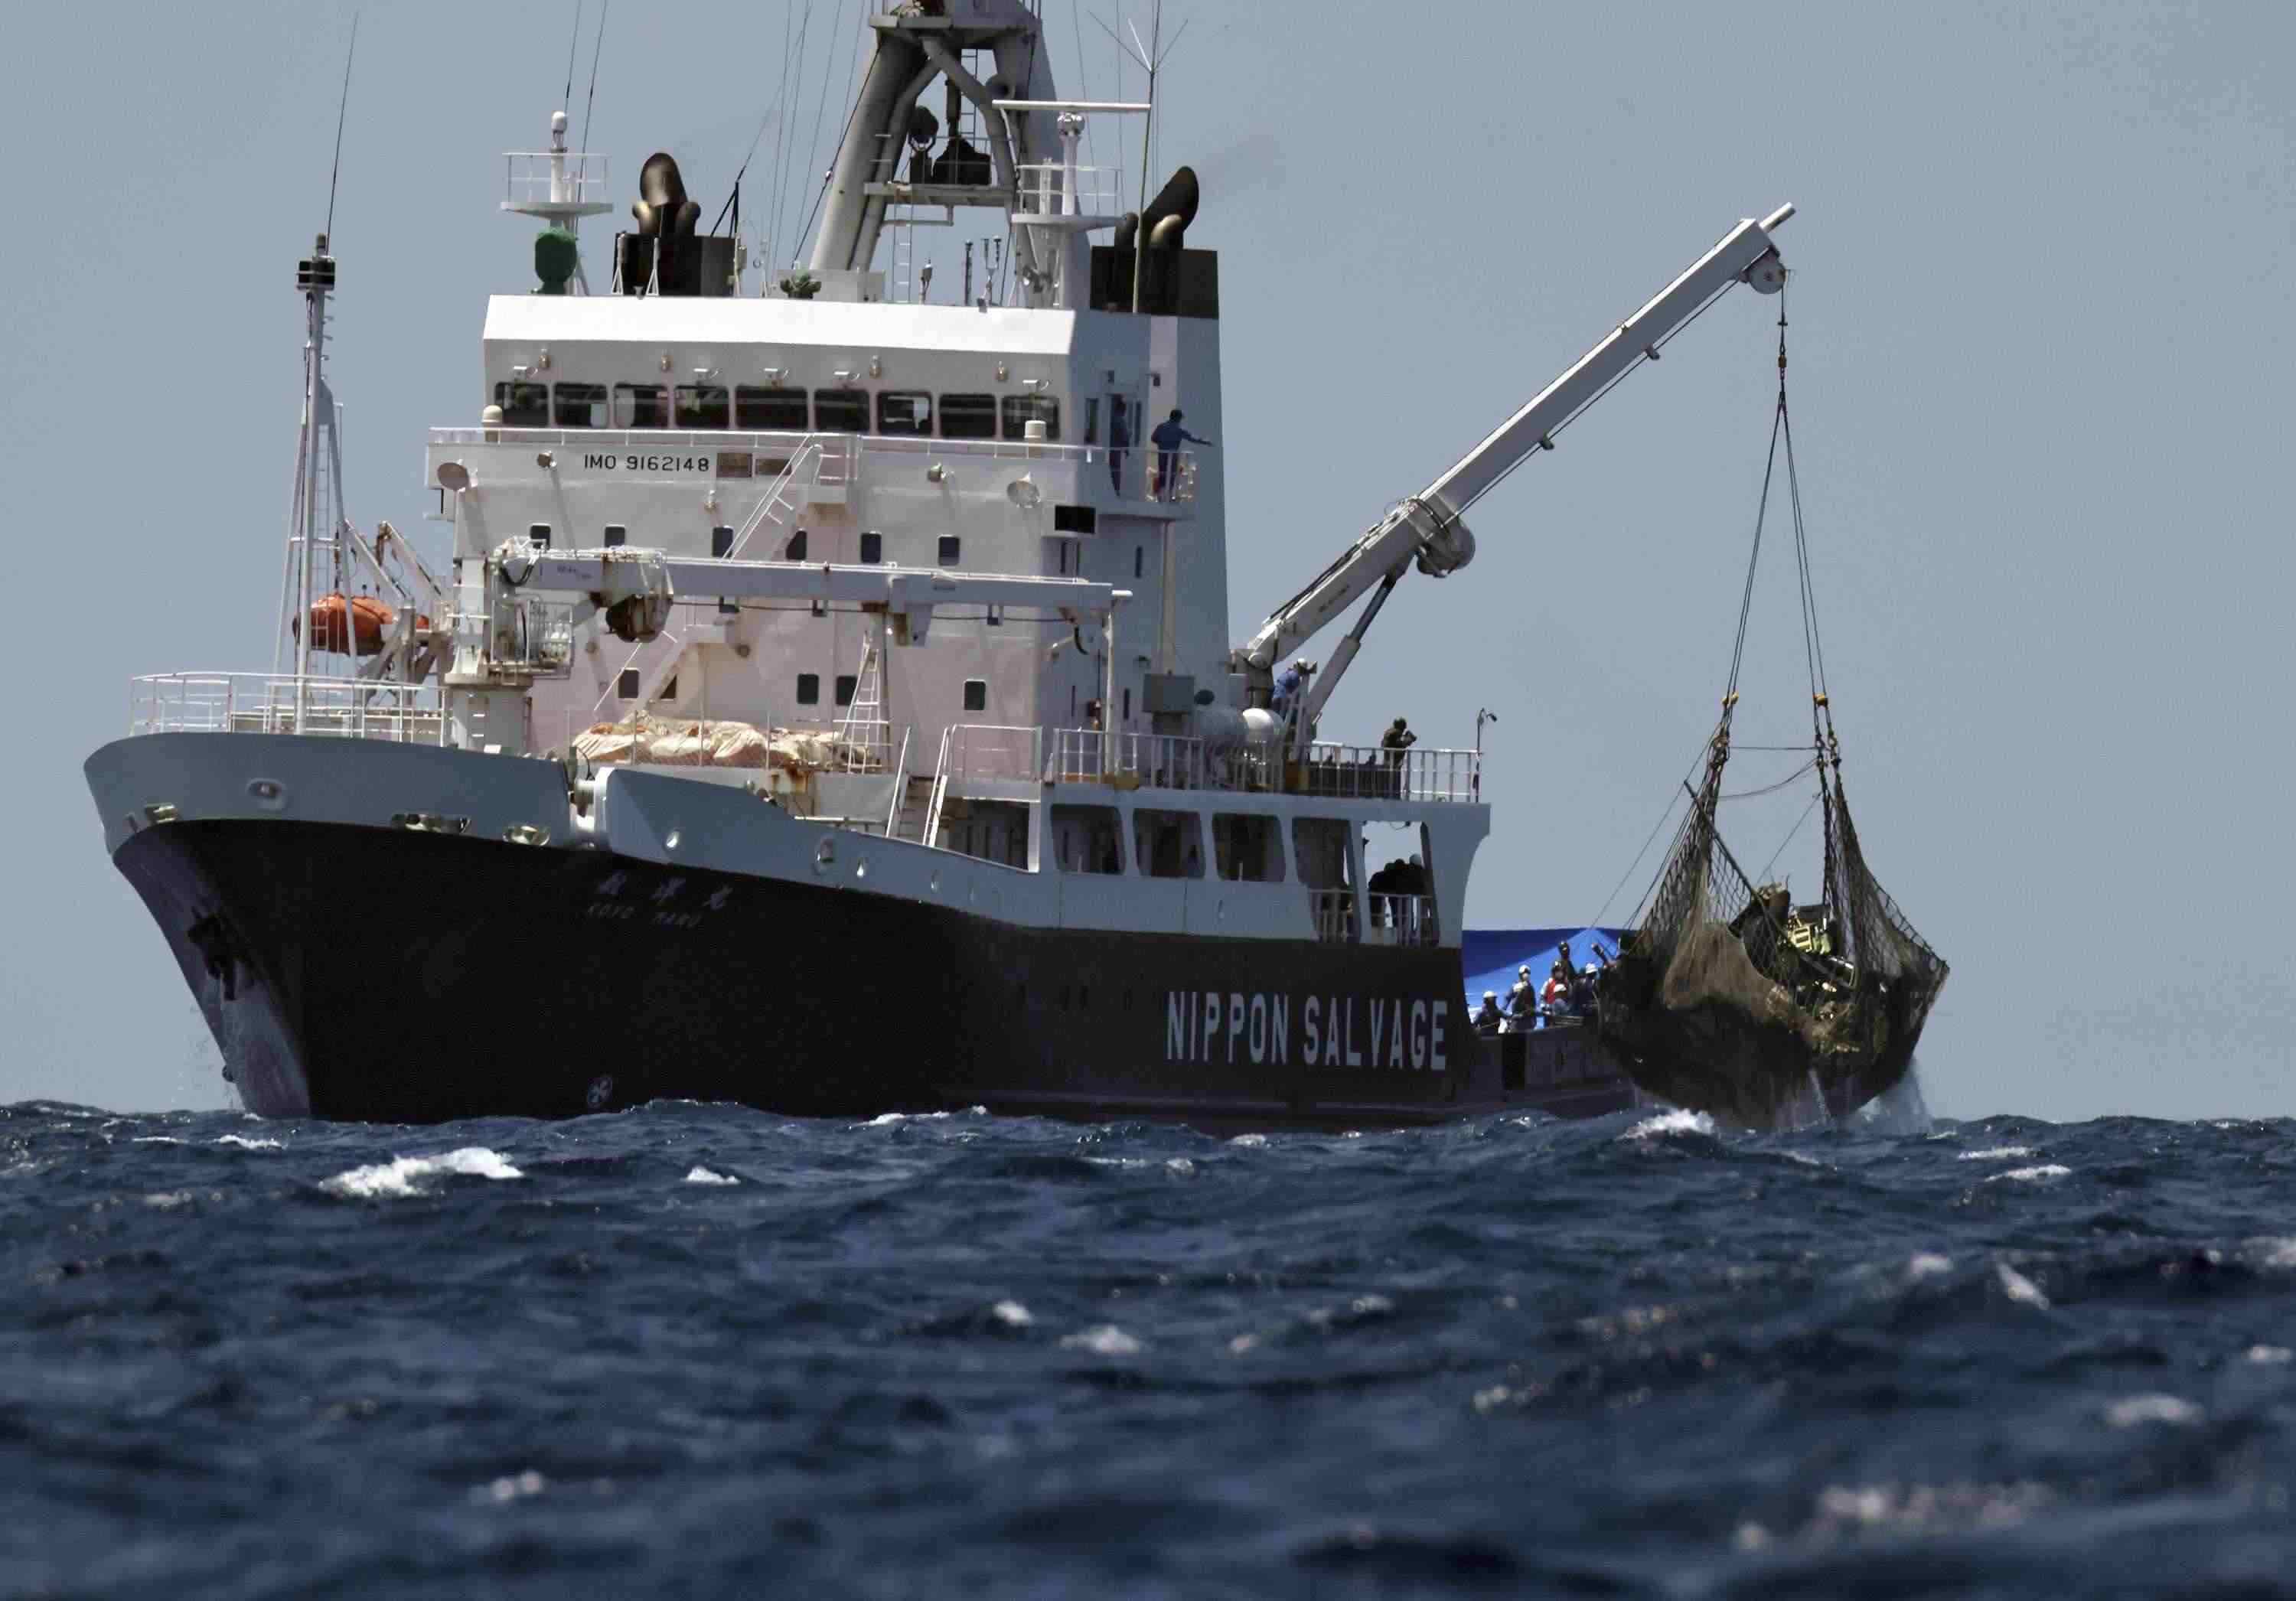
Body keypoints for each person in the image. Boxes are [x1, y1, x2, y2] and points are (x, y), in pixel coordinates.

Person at [1150, 409, 1212, 501]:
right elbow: (1193, 439)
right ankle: (1168, 497)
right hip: (1173, 457)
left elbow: (1153, 438)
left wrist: (1162, 443)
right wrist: (1206, 442)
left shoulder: (1161, 427)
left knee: (1162, 475)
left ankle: (1160, 497)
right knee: (1171, 476)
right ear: (1178, 418)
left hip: (1162, 455)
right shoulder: (1179, 430)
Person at [1108, 397, 1130, 494]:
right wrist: (1127, 450)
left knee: (1111, 469)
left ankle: (1110, 488)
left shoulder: (1110, 418)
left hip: (1109, 448)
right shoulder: (1121, 420)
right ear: (1122, 410)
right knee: (1116, 470)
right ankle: (1116, 490)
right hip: (1116, 449)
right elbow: (1124, 436)